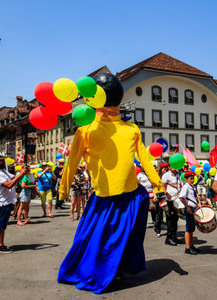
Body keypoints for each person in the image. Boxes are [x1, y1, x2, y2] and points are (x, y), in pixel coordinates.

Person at [57, 73, 163, 293]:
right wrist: (158, 186)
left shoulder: (119, 129)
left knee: (113, 239)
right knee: (108, 239)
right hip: (111, 197)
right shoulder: (88, 130)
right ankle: (108, 270)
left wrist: (64, 189)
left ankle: (115, 269)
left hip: (129, 195)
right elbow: (73, 161)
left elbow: (144, 159)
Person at [0, 154, 26, 253]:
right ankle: (1, 245)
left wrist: (22, 172)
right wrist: (21, 174)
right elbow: (9, 185)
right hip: (3, 201)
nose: (3, 162)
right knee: (2, 224)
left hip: (7, 200)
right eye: (1, 160)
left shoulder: (2, 171)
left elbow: (14, 178)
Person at [179, 171, 201, 255]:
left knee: (191, 228)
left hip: (193, 208)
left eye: (193, 178)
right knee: (188, 228)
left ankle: (191, 245)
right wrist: (187, 207)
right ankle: (187, 247)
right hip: (189, 208)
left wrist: (197, 197)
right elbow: (181, 197)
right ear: (186, 179)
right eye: (191, 178)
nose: (192, 180)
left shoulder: (192, 187)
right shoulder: (186, 187)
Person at [162, 165, 184, 246]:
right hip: (170, 200)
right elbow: (163, 186)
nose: (175, 167)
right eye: (172, 166)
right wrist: (166, 194)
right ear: (169, 167)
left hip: (176, 199)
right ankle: (168, 238)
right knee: (170, 219)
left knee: (175, 219)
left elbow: (179, 185)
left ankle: (174, 236)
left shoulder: (177, 175)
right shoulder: (166, 175)